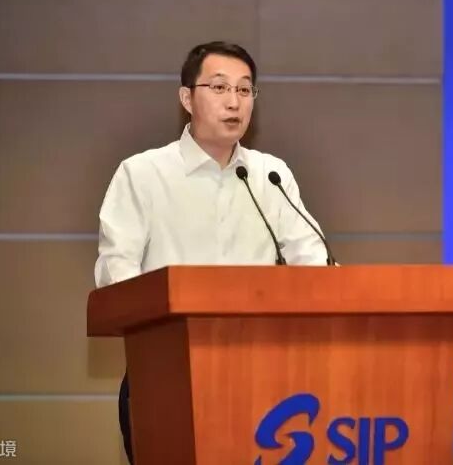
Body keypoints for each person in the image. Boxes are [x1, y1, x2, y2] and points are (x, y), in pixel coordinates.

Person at [93, 41, 330, 464]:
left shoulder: (270, 175)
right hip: (165, 372)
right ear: (187, 98)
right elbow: (116, 275)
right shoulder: (143, 174)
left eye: (244, 89)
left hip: (264, 375)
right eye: (219, 87)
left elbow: (313, 262)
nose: (233, 101)